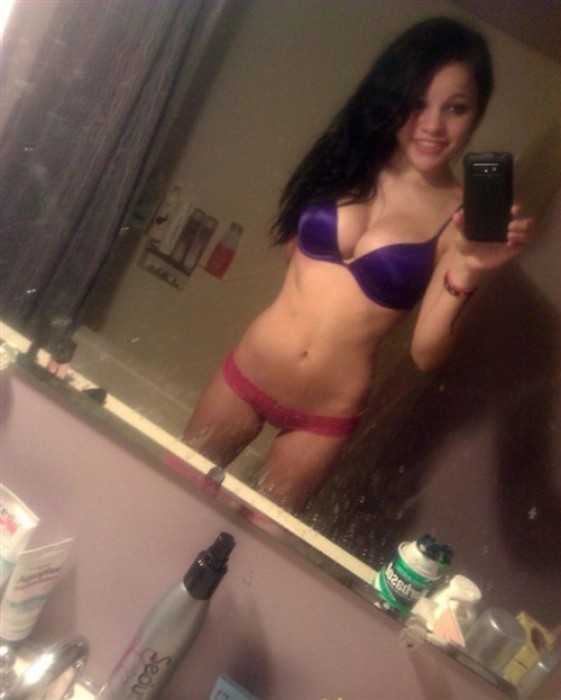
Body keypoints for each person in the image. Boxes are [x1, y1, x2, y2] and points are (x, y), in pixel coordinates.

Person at [183, 17, 534, 513]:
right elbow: (294, 251)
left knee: (260, 540)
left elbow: (426, 354)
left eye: (455, 108)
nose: (433, 126)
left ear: (476, 114)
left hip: (324, 415)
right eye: (417, 103)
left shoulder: (461, 220)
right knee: (171, 490)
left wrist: (470, 269)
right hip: (250, 370)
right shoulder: (346, 158)